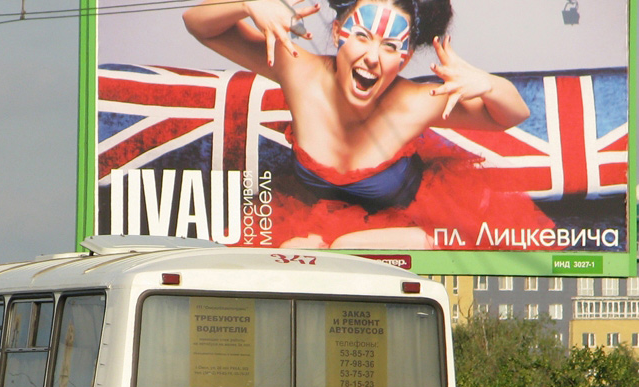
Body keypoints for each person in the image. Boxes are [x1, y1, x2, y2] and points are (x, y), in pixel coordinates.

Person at [182, 0, 555, 249]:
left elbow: (514, 114)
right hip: (312, 220)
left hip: (403, 226)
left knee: (347, 248)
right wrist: (248, 2)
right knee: (295, 251)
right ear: (339, 35)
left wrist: (488, 83)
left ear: (404, 60)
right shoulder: (297, 69)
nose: (372, 58)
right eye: (362, 36)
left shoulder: (415, 102)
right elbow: (198, 25)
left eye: (391, 47)